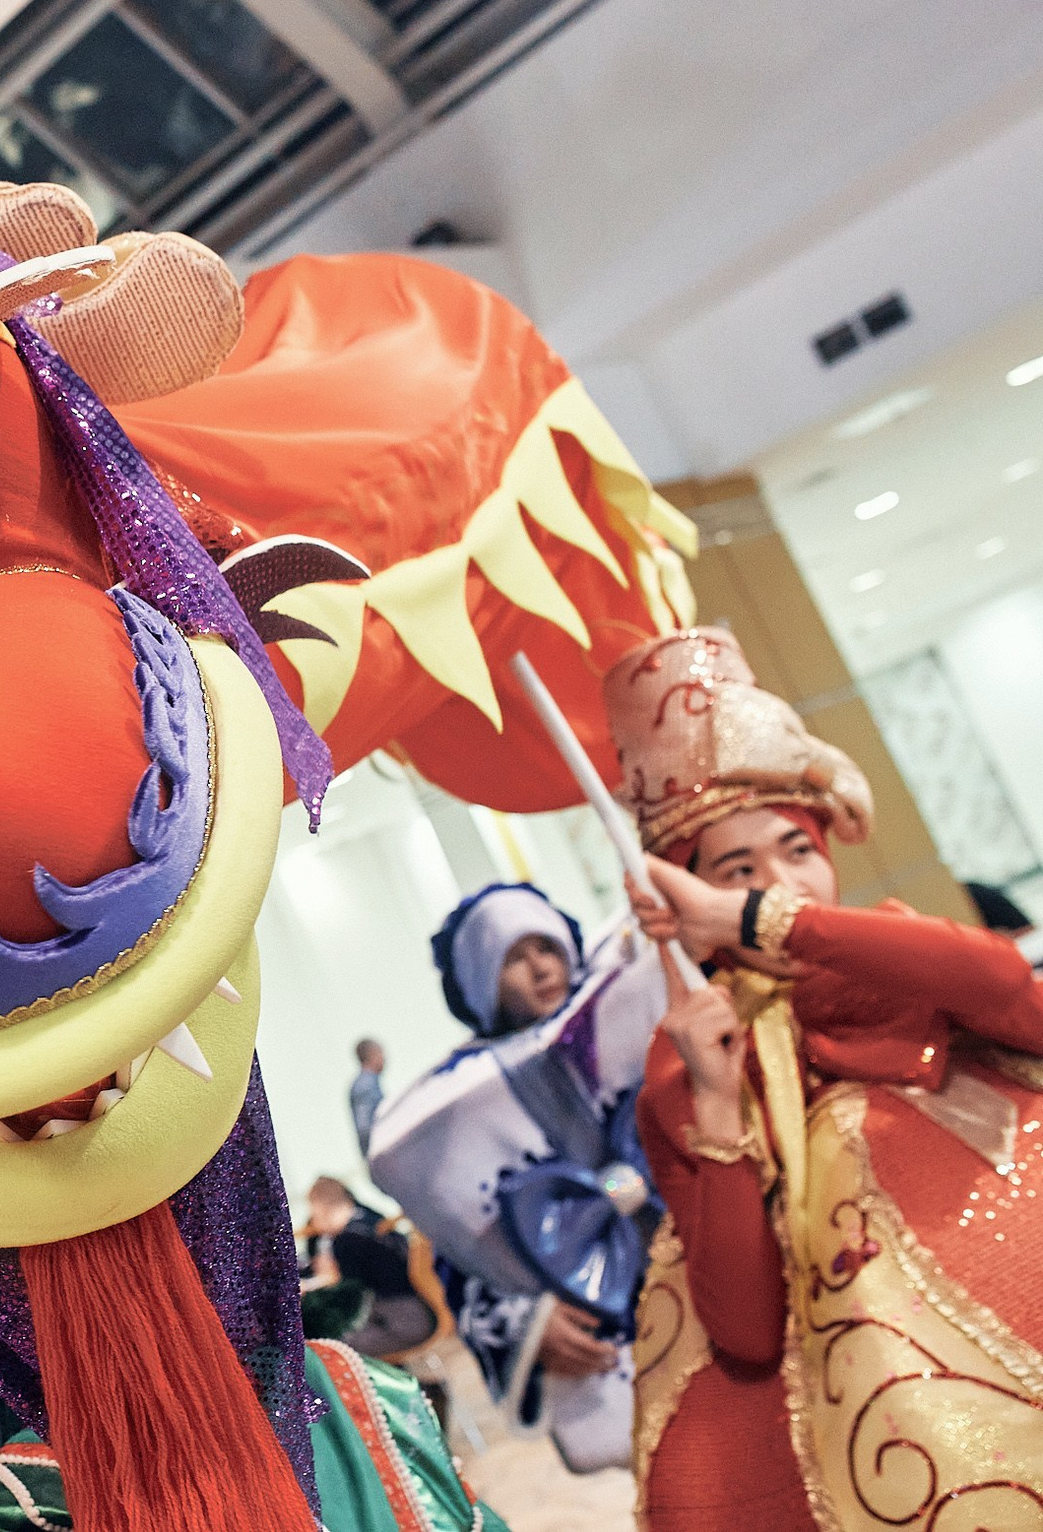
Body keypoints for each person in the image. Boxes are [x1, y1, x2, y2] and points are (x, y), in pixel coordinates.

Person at [610, 627, 1043, 1530]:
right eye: (738, 866)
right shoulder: (685, 1062)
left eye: (796, 850)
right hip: (914, 1457)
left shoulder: (908, 957)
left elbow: (1006, 983)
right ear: (687, 898)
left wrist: (762, 917)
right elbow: (745, 1329)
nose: (784, 880)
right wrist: (721, 1105)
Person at [368, 882, 666, 1472]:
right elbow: (465, 1248)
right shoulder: (451, 1114)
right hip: (614, 1338)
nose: (540, 967)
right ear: (480, 981)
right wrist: (530, 1326)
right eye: (513, 957)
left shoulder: (626, 1001)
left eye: (546, 946)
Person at [299, 1178, 438, 1357]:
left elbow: (341, 1289)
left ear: (325, 1210)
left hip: (404, 1322)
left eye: (316, 1215)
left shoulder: (350, 1240)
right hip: (417, 1311)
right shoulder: (371, 1219)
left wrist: (310, 1284)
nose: (314, 1223)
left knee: (332, 1352)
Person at [349, 1039, 386, 1154]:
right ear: (372, 1054)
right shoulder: (365, 1085)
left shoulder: (368, 1083)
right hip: (379, 1151)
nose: (384, 1058)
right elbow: (364, 1127)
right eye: (381, 1053)